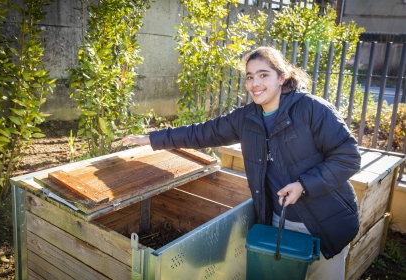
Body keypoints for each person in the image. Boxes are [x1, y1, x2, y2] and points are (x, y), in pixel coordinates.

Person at [123, 46, 361, 280]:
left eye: (263, 75)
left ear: (282, 77)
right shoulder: (247, 118)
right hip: (278, 224)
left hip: (325, 225)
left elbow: (348, 156)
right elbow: (201, 133)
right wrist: (151, 139)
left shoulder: (312, 109)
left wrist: (303, 185)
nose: (255, 83)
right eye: (250, 77)